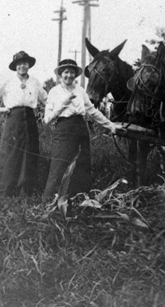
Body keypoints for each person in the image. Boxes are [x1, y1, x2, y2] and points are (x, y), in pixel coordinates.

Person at [43, 59, 117, 202]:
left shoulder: (80, 90)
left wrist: (111, 125)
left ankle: (79, 199)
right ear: (60, 74)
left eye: (72, 72)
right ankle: (51, 199)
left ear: (76, 75)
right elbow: (47, 119)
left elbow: (93, 112)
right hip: (63, 129)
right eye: (66, 72)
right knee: (60, 164)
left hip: (81, 129)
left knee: (82, 164)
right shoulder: (54, 92)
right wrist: (63, 104)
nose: (69, 75)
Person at [0, 51, 48, 198]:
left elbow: (47, 100)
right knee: (11, 154)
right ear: (15, 66)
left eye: (25, 63)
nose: (22, 66)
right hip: (14, 119)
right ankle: (5, 193)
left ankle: (26, 192)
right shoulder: (8, 81)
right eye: (19, 64)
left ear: (29, 65)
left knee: (30, 153)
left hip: (30, 119)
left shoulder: (35, 82)